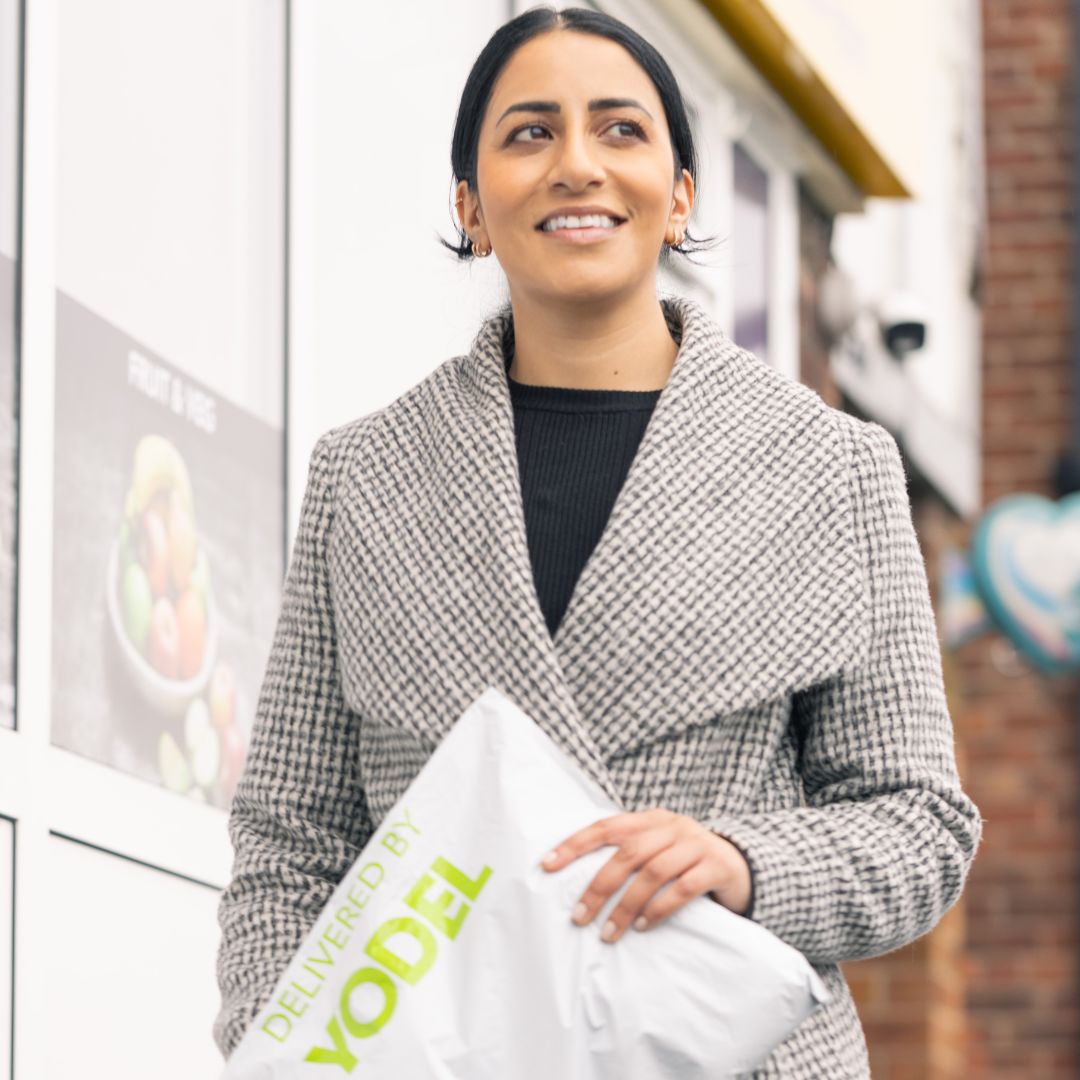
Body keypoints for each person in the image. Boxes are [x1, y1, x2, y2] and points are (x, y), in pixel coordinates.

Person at [214, 6, 984, 1077]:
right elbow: (291, 845)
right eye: (530, 133)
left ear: (678, 199)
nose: (577, 164)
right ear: (471, 206)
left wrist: (741, 861)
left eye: (620, 130)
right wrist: (280, 1046)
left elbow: (920, 828)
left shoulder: (830, 467)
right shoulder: (366, 477)